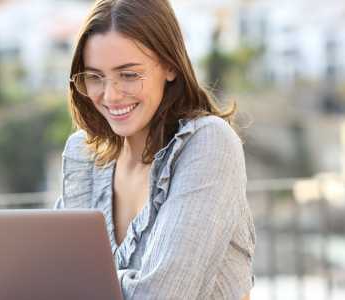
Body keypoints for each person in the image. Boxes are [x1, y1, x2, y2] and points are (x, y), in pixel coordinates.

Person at [53, 0, 256, 299]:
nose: (110, 95)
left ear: (170, 65)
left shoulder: (208, 144)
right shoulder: (85, 156)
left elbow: (163, 293)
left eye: (129, 74)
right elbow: (49, 272)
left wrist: (80, 283)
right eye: (95, 77)